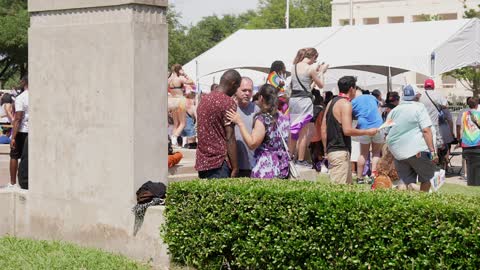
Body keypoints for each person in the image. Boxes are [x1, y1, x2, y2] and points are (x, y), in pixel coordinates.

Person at [321, 76, 378, 184]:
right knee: (339, 192)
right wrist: (367, 131)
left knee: (346, 190)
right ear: (352, 89)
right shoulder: (346, 104)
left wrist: (326, 150)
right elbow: (347, 130)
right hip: (340, 151)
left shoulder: (331, 102)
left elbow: (323, 128)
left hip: (333, 150)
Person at [226, 84, 289, 179]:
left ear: (261, 98)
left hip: (266, 167)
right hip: (282, 166)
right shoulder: (284, 118)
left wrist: (240, 123)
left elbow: (252, 144)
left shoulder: (263, 119)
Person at [385, 85, 437, 192]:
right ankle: (422, 203)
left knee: (404, 180)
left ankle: (404, 206)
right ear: (417, 96)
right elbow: (426, 130)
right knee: (426, 178)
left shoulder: (394, 110)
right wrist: (433, 151)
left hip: (398, 152)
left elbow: (386, 132)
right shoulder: (419, 108)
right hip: (417, 150)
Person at [195, 70, 241, 179]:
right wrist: (235, 167)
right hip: (219, 164)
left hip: (202, 162)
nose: (235, 91)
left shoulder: (204, 100)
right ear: (233, 84)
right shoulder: (228, 102)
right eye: (236, 88)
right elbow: (230, 137)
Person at [289, 48, 328, 167]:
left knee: (294, 130)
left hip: (294, 100)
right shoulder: (310, 68)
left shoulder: (294, 67)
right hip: (304, 102)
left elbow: (305, 87)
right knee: (304, 132)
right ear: (313, 57)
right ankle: (300, 160)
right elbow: (321, 85)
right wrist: (321, 71)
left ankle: (290, 157)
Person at [351, 90, 384, 183]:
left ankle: (359, 177)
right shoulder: (372, 97)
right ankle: (373, 175)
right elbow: (378, 108)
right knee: (376, 153)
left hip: (364, 128)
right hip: (377, 126)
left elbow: (353, 115)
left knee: (363, 154)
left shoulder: (353, 102)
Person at [234, 77, 259, 177]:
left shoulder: (257, 110)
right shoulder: (230, 108)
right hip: (233, 165)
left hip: (252, 164)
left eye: (250, 90)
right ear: (236, 90)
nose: (247, 93)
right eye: (244, 90)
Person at [9, 75, 29, 189]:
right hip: (33, 131)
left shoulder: (21, 97)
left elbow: (18, 118)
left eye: (21, 81)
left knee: (14, 155)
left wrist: (13, 137)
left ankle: (12, 183)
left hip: (22, 131)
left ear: (25, 82)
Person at [168, 64, 195, 146]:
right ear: (179, 70)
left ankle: (173, 142)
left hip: (172, 101)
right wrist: (184, 74)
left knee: (176, 123)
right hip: (180, 100)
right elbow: (192, 82)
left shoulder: (169, 80)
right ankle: (174, 137)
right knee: (183, 123)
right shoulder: (180, 79)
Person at [419, 79, 448, 152]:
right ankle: (437, 160)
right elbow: (446, 105)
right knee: (437, 145)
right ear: (433, 86)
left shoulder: (420, 95)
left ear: (424, 86)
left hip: (422, 126)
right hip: (434, 125)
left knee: (424, 145)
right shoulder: (438, 95)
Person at [458, 97, 480, 185]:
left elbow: (461, 128)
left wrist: (460, 140)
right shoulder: (478, 114)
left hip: (466, 143)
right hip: (478, 142)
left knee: (469, 163)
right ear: (477, 105)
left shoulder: (464, 114)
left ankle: (468, 178)